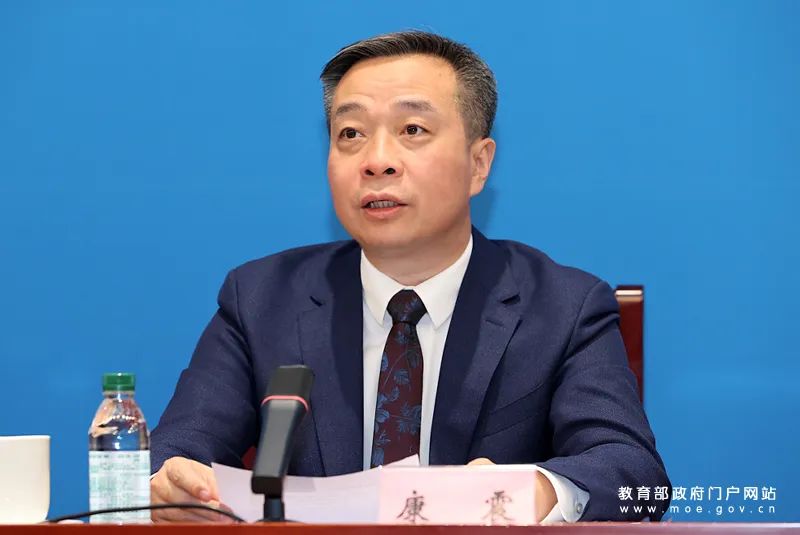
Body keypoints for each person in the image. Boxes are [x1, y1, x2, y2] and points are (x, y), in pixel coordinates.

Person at [149, 31, 670, 523]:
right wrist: (172, 483)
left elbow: (632, 471)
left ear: (479, 164)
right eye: (350, 134)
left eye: (412, 130)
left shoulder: (564, 307)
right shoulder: (262, 298)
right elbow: (179, 451)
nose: (377, 161)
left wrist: (530, 489)